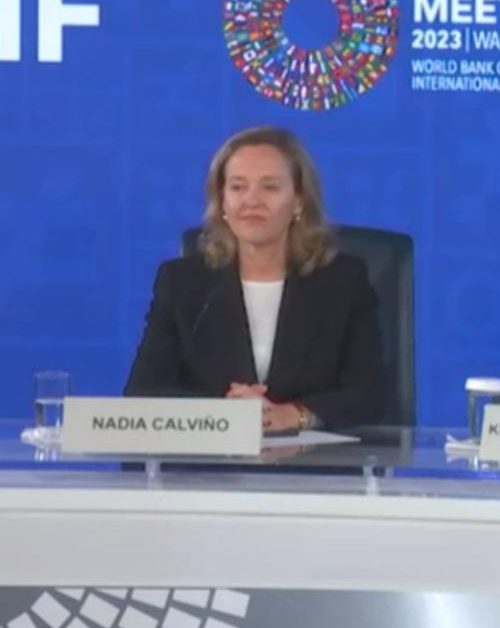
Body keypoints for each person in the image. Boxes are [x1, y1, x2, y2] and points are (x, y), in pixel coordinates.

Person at [124, 126, 383, 432]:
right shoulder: (182, 283)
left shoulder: (343, 282)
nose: (252, 200)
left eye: (270, 187)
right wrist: (223, 415)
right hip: (209, 471)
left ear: (299, 201)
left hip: (313, 470)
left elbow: (370, 395)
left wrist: (294, 414)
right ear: (221, 202)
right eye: (237, 187)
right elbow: (143, 394)